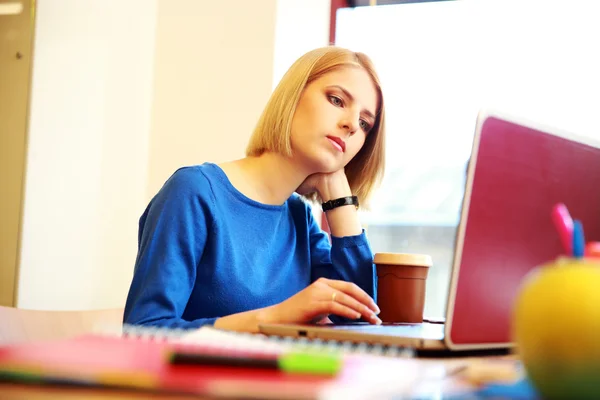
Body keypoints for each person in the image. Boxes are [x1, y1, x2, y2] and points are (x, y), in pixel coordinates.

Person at [123, 46, 386, 333]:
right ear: (293, 97)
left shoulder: (300, 219)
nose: (350, 125)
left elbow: (360, 319)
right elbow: (143, 331)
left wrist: (340, 198)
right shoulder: (195, 192)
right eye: (336, 100)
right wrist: (277, 317)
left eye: (364, 123)